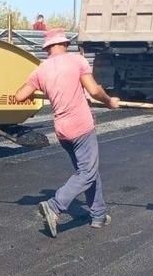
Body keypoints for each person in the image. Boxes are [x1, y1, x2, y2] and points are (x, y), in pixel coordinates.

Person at [12, 29, 119, 237]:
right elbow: (95, 91)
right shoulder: (77, 61)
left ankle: (98, 214)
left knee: (87, 170)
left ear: (47, 48)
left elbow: (20, 95)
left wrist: (46, 87)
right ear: (64, 44)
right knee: (86, 172)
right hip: (81, 126)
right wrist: (109, 101)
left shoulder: (40, 71)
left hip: (62, 131)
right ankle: (55, 205)